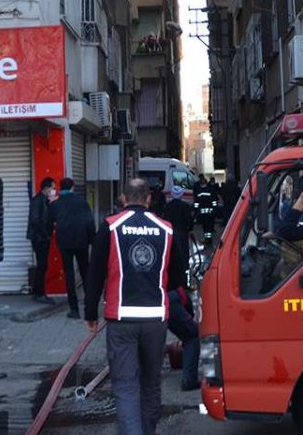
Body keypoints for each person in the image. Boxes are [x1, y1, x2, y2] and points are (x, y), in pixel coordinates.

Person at [85, 179, 173, 435]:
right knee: (151, 384)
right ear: (148, 199)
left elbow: (95, 274)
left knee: (125, 386)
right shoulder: (166, 229)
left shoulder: (110, 227)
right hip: (156, 319)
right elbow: (178, 275)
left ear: (123, 199)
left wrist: (90, 313)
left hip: (121, 319)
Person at [164, 186, 200, 392]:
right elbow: (180, 270)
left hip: (148, 298)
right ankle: (189, 378)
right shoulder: (184, 211)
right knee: (192, 334)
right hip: (171, 295)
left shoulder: (167, 213)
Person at [47, 177, 95, 318]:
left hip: (64, 242)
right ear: (73, 187)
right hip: (81, 241)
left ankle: (74, 309)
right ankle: (89, 307)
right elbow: (89, 222)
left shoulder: (55, 204)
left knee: (69, 274)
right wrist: (93, 241)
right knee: (85, 272)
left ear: (61, 188)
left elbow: (50, 222)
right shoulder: (82, 202)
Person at [27, 177, 56, 304]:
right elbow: (36, 220)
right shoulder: (38, 201)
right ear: (46, 188)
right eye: (52, 187)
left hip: (42, 237)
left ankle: (38, 292)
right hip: (39, 238)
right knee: (42, 265)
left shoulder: (45, 201)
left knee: (42, 265)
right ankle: (39, 293)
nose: (54, 190)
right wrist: (45, 234)